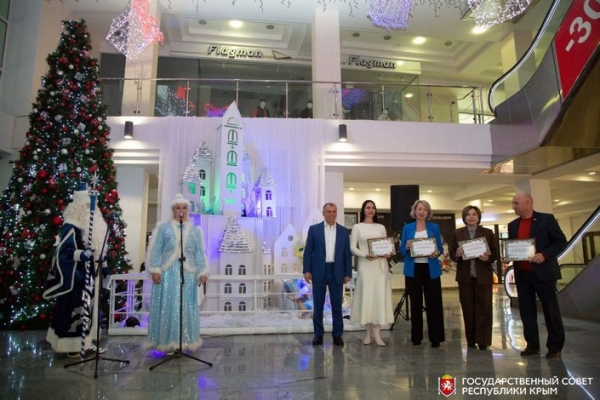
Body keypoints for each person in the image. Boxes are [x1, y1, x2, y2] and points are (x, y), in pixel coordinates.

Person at [43, 188, 107, 357]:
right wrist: (81, 254)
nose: (91, 209)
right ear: (79, 207)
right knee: (75, 308)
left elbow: (98, 246)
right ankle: (71, 346)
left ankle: (86, 342)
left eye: (93, 206)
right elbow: (64, 252)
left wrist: (103, 263)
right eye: (87, 205)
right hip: (76, 276)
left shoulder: (93, 226)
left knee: (89, 308)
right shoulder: (71, 226)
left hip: (90, 274)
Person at [146, 194, 209, 354]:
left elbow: (199, 252)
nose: (182, 210)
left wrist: (202, 271)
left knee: (186, 305)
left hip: (188, 274)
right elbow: (156, 249)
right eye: (178, 208)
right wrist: (154, 269)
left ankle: (185, 340)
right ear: (173, 210)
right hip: (167, 273)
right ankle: (167, 342)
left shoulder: (195, 231)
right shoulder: (163, 228)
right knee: (169, 305)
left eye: (184, 207)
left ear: (188, 210)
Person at [508, 193, 567, 359]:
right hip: (522, 274)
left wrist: (544, 255)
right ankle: (532, 345)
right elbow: (512, 246)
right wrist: (509, 254)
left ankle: (555, 346)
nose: (513, 206)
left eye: (516, 203)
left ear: (528, 203)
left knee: (550, 310)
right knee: (526, 311)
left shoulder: (546, 220)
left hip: (544, 274)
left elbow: (561, 242)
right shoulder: (513, 225)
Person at [303, 202, 353, 346]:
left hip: (336, 271)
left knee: (337, 305)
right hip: (319, 270)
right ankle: (318, 334)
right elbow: (308, 252)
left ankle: (337, 335)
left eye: (334, 211)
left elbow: (347, 254)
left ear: (336, 213)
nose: (331, 214)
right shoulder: (314, 230)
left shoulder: (343, 231)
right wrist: (307, 270)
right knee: (318, 305)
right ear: (324, 213)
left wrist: (348, 272)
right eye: (329, 212)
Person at [449, 205, 497, 350]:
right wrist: (457, 254)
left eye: (474, 214)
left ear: (478, 217)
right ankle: (471, 340)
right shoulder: (458, 233)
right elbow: (452, 253)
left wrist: (488, 258)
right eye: (468, 214)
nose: (471, 217)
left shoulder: (487, 233)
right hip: (465, 277)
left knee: (484, 309)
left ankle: (483, 341)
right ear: (464, 217)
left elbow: (494, 253)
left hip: (483, 276)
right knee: (468, 309)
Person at [399, 199, 445, 348]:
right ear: (415, 211)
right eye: (419, 209)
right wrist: (406, 247)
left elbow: (440, 248)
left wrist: (436, 252)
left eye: (425, 210)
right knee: (415, 303)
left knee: (434, 303)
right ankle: (416, 337)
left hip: (431, 269)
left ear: (428, 212)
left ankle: (436, 338)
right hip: (413, 270)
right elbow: (401, 250)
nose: (422, 212)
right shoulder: (407, 227)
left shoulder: (434, 227)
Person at [350, 200, 394, 346]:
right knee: (367, 296)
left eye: (373, 207)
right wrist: (364, 255)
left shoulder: (381, 227)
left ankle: (377, 332)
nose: (371, 210)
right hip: (366, 265)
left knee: (378, 296)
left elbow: (385, 245)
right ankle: (368, 333)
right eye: (368, 207)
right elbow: (352, 247)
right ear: (363, 210)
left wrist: (387, 253)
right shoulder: (357, 227)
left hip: (380, 266)